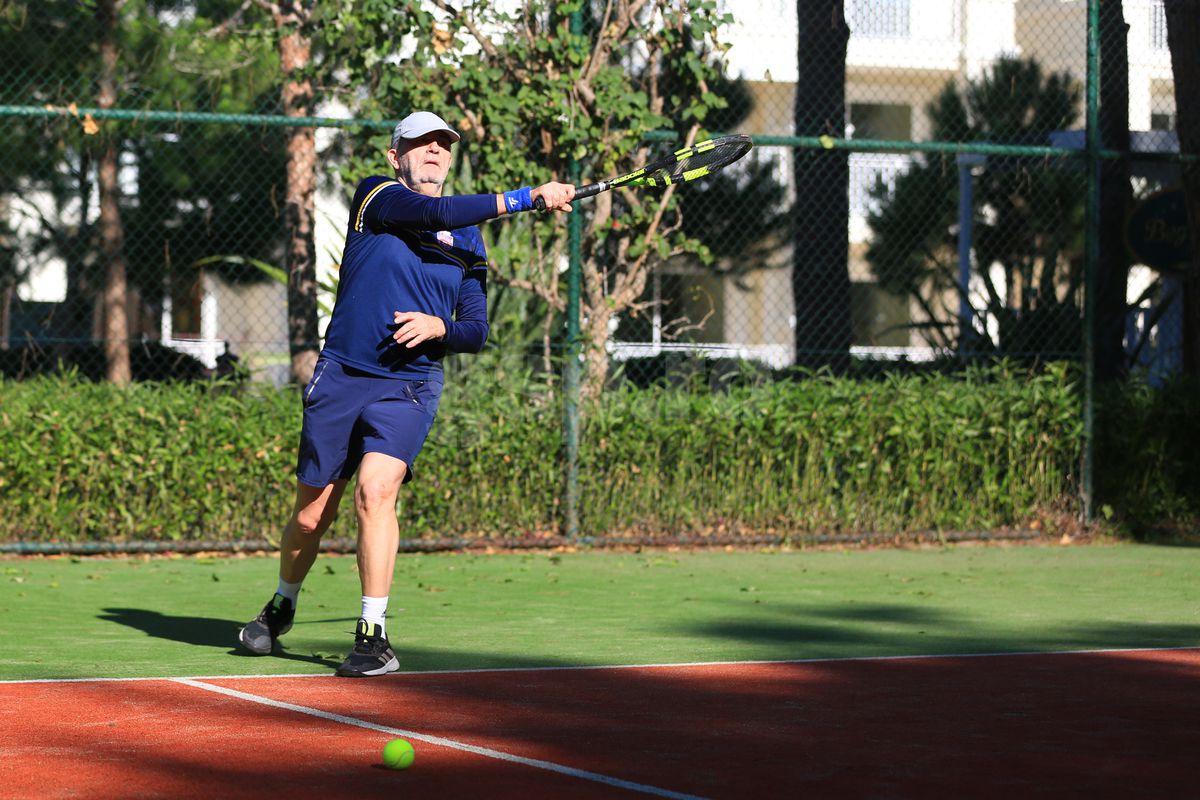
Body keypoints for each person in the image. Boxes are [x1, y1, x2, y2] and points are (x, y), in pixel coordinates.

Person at [238, 111, 575, 676]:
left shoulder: (468, 240)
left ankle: (373, 635)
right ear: (397, 156)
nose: (436, 151)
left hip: (410, 385)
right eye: (422, 143)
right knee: (310, 517)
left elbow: (475, 329)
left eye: (444, 144)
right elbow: (435, 211)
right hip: (343, 374)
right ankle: (282, 605)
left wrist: (441, 328)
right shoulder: (378, 197)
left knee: (377, 491)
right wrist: (524, 198)